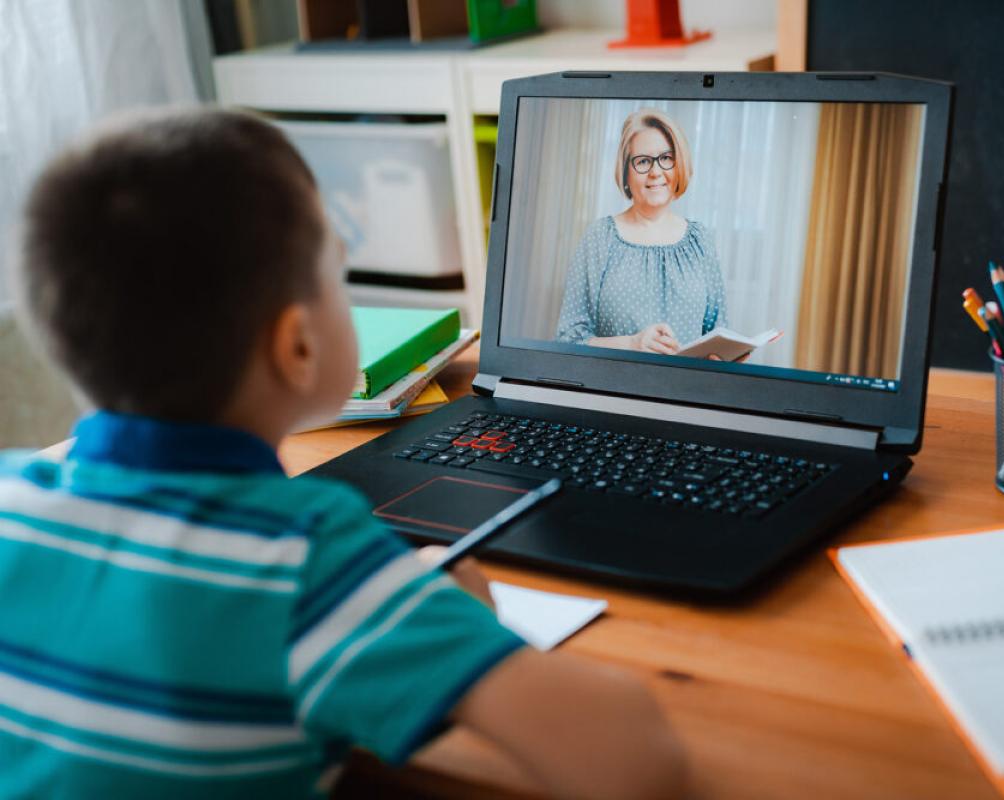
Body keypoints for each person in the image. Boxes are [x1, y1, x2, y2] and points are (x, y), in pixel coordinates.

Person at [2, 108, 688, 799]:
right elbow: (640, 763)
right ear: (297, 346)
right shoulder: (308, 566)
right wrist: (463, 626)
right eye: (339, 272)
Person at [555, 108, 728, 357]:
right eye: (643, 161)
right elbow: (568, 340)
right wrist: (633, 343)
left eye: (666, 158)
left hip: (684, 392)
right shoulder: (599, 237)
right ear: (626, 172)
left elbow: (717, 332)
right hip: (615, 390)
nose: (656, 172)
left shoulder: (700, 239)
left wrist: (724, 357)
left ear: (679, 164)